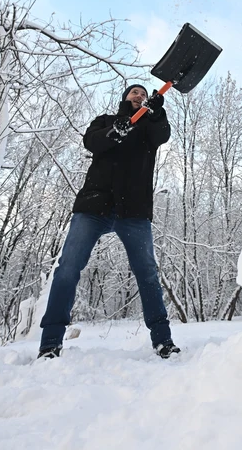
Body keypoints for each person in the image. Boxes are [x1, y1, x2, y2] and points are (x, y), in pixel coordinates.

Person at [38, 84, 180, 359]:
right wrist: (116, 130)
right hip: (95, 205)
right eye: (133, 93)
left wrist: (156, 116)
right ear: (124, 98)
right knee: (67, 269)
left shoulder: (149, 126)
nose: (138, 96)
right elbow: (92, 141)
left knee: (147, 274)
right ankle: (50, 344)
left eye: (142, 93)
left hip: (134, 211)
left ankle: (163, 341)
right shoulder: (105, 121)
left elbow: (162, 135)